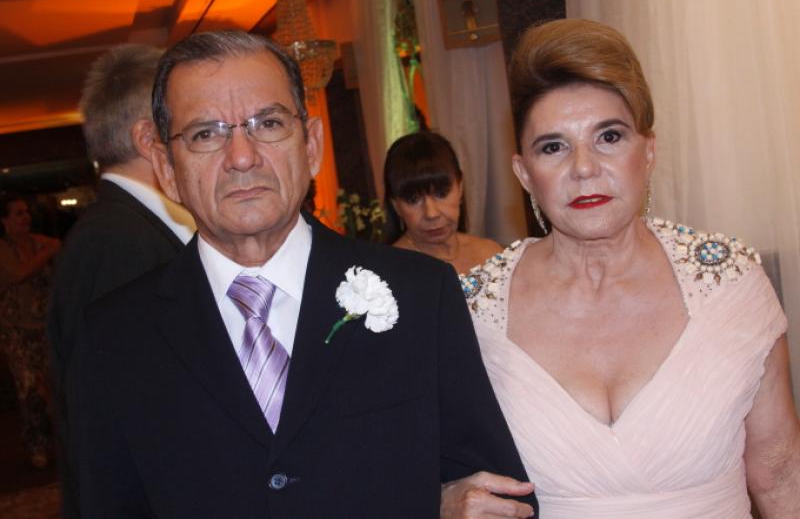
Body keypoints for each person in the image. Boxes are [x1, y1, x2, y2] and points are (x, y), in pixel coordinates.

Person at [73, 30, 537, 518]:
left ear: (311, 145)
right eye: (206, 134)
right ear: (167, 169)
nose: (242, 156)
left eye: (268, 123)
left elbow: (498, 498)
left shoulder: (421, 294)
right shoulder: (114, 338)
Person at [448, 18, 800, 518]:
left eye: (609, 136)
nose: (584, 167)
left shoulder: (730, 283)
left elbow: (781, 473)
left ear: (648, 151)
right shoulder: (472, 310)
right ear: (524, 173)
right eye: (553, 147)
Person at [48, 43, 195, 517]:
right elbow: (115, 424)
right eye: (189, 122)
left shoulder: (128, 229)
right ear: (150, 137)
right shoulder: (117, 243)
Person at [384, 131, 502, 274]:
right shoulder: (389, 272)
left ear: (460, 188)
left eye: (441, 194)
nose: (431, 214)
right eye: (413, 200)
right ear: (396, 206)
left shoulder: (491, 253)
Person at [0, 194, 60, 468]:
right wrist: (48, 251)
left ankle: (59, 441)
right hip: (16, 332)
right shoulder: (3, 250)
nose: (25, 217)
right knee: (30, 387)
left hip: (44, 327)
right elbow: (17, 274)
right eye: (18, 213)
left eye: (26, 212)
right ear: (4, 220)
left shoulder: (38, 243)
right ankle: (38, 444)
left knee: (53, 385)